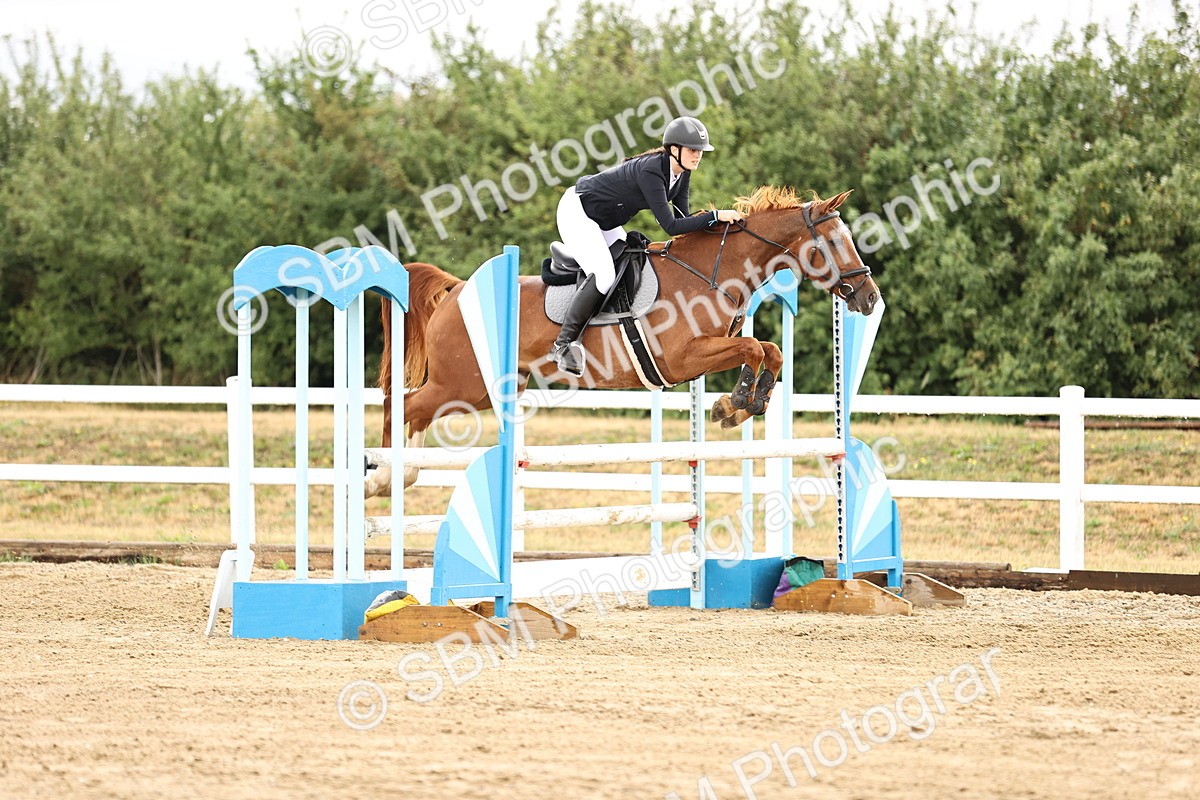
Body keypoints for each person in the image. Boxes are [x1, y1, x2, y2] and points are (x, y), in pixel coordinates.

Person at [549, 116, 744, 375]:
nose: (698, 156)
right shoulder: (652, 171)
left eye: (700, 151)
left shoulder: (681, 174)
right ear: (674, 150)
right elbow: (671, 227)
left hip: (603, 221)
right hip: (578, 212)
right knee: (605, 276)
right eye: (693, 150)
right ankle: (563, 344)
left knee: (628, 261)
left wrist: (719, 228)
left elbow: (685, 220)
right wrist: (716, 216)